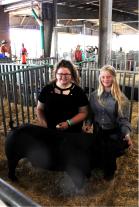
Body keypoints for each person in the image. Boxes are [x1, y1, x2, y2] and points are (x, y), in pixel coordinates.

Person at [85, 65, 133, 180]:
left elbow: (123, 120)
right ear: (100, 78)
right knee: (98, 152)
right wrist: (88, 124)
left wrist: (127, 134)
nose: (106, 80)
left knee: (110, 158)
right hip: (98, 130)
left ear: (114, 78)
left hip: (113, 133)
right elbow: (91, 114)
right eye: (103, 77)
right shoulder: (93, 96)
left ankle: (109, 173)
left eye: (109, 77)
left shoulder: (122, 99)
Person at [36, 59, 89, 132]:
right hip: (50, 130)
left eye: (67, 74)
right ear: (56, 74)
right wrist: (44, 124)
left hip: (72, 132)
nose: (63, 77)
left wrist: (68, 123)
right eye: (60, 74)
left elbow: (84, 112)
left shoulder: (78, 92)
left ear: (72, 75)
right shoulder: (47, 89)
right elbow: (39, 109)